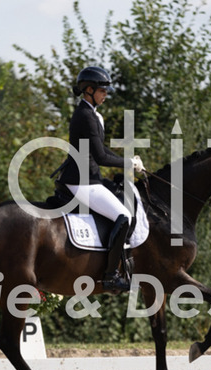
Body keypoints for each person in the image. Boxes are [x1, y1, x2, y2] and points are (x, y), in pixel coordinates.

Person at [55, 66, 144, 291]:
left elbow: (100, 150)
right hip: (81, 180)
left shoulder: (92, 114)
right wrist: (129, 163)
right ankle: (111, 276)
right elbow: (101, 157)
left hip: (90, 176)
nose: (105, 95)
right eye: (102, 91)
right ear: (89, 90)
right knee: (123, 217)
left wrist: (129, 161)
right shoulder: (85, 115)